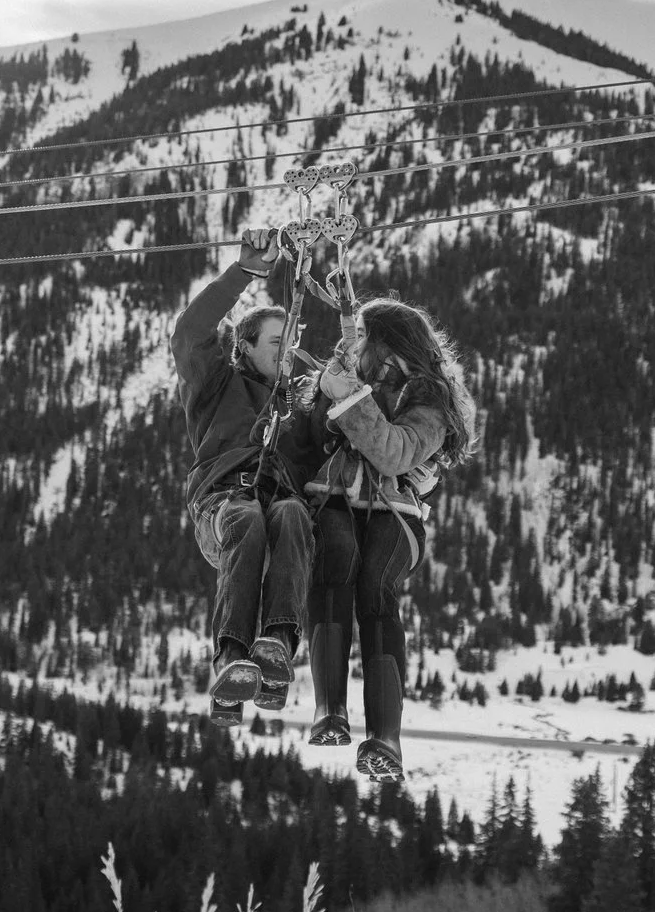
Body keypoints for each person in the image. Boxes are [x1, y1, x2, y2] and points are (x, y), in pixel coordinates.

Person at [299, 296, 482, 781]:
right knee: (334, 568)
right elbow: (316, 437)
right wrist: (329, 393)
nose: (355, 344)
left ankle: (385, 736)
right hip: (336, 497)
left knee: (374, 591)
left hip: (394, 511)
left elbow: (394, 454)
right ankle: (330, 709)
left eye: (363, 336)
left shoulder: (430, 399)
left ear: (386, 343)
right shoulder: (350, 378)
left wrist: (349, 399)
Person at [172, 228, 316, 725]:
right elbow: (189, 333)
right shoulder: (217, 385)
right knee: (246, 516)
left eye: (291, 342)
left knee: (292, 512)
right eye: (276, 341)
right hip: (223, 505)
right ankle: (230, 656)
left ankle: (276, 646)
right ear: (246, 347)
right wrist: (244, 273)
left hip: (278, 511)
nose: (287, 350)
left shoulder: (297, 409)